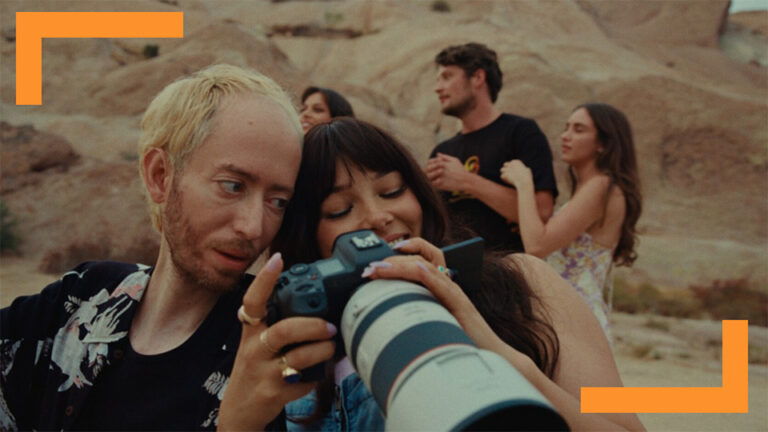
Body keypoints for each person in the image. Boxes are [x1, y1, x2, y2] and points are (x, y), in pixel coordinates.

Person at [0, 64, 338, 431]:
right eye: (233, 186)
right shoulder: (82, 300)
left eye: (278, 201)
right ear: (161, 175)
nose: (254, 227)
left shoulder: (270, 351)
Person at [270, 117, 645, 431]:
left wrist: (495, 351)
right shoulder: (296, 343)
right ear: (307, 236)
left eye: (392, 190)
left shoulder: (525, 284)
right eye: (339, 209)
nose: (377, 216)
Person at [500, 103, 642, 341]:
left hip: (578, 318)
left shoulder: (602, 186)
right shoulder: (593, 188)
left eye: (579, 129)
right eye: (566, 128)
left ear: (603, 144)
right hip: (567, 313)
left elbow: (537, 245)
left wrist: (524, 183)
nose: (565, 136)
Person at [425, 42, 558, 253]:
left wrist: (467, 181)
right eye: (438, 79)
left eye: (447, 76)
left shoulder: (521, 132)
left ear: (478, 78)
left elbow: (542, 211)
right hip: (455, 275)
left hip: (511, 272)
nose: (438, 88)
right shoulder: (442, 152)